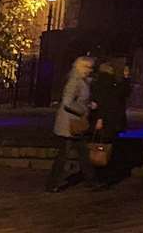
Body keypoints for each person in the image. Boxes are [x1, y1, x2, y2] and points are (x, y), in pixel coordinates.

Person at [45, 56, 93, 192]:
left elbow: (80, 100)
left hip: (75, 123)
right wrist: (83, 109)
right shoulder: (74, 81)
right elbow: (67, 102)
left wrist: (88, 104)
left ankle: (91, 179)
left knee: (82, 152)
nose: (90, 70)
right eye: (87, 67)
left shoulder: (82, 81)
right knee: (64, 155)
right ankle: (52, 183)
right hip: (69, 124)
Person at [87, 60, 127, 190]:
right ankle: (107, 176)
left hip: (102, 120)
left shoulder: (99, 84)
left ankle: (98, 176)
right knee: (108, 147)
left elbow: (101, 101)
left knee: (99, 146)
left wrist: (99, 118)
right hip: (112, 121)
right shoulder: (114, 84)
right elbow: (121, 96)